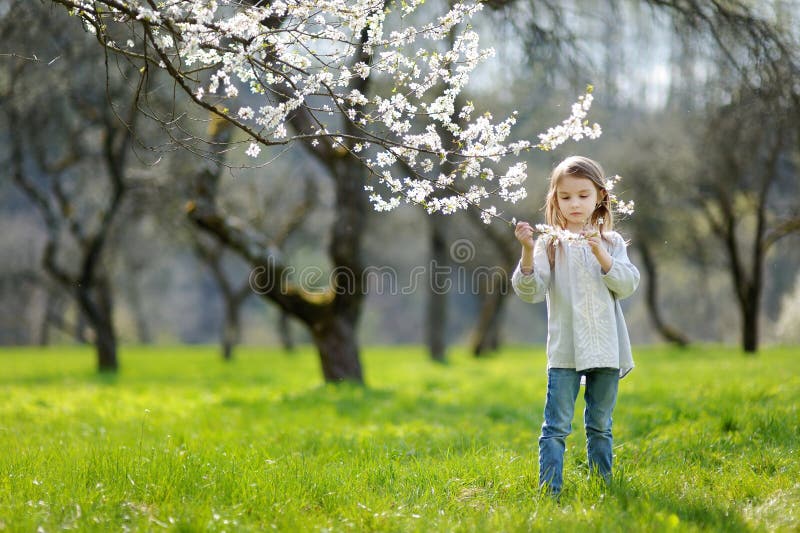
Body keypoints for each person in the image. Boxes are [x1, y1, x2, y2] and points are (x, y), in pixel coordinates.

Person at [511, 155, 640, 497]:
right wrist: (526, 251)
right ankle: (550, 491)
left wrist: (601, 254)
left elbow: (626, 285)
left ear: (599, 195)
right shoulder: (549, 243)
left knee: (600, 425)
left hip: (606, 349)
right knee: (555, 427)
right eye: (565, 197)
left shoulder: (612, 243)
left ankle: (604, 488)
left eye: (583, 195)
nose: (575, 204)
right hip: (565, 350)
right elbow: (531, 291)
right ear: (555, 199)